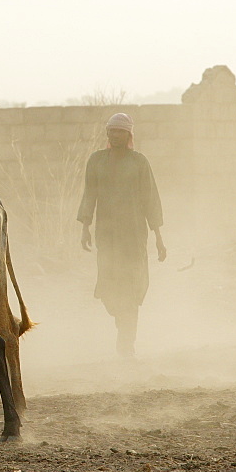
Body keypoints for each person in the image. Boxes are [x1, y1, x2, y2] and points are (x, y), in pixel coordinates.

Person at [77, 112, 165, 358]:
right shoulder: (96, 161)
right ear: (107, 134)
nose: (115, 135)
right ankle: (122, 321)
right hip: (106, 236)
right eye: (112, 131)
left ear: (129, 135)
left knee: (132, 289)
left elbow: (151, 198)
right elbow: (89, 195)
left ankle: (126, 343)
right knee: (108, 288)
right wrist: (85, 226)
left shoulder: (139, 162)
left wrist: (158, 237)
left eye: (120, 131)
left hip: (134, 236)